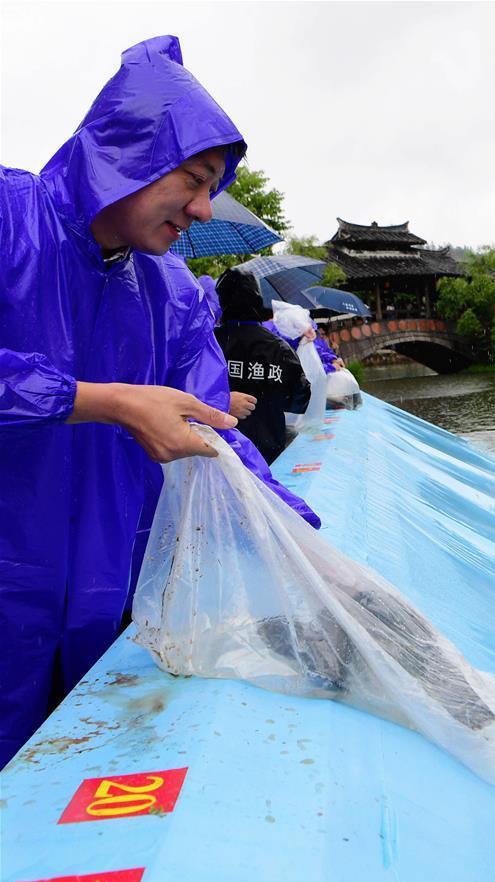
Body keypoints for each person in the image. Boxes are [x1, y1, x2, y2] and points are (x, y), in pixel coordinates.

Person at [0, 35, 319, 768]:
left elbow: (219, 438)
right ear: (127, 152)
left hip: (103, 613)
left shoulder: (173, 295)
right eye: (197, 178)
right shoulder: (9, 220)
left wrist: (303, 548)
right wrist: (96, 399)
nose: (205, 210)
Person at [214, 267, 311, 464]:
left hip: (221, 452)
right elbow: (301, 398)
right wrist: (269, 399)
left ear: (222, 300)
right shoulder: (278, 348)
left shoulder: (209, 343)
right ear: (257, 300)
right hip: (269, 451)